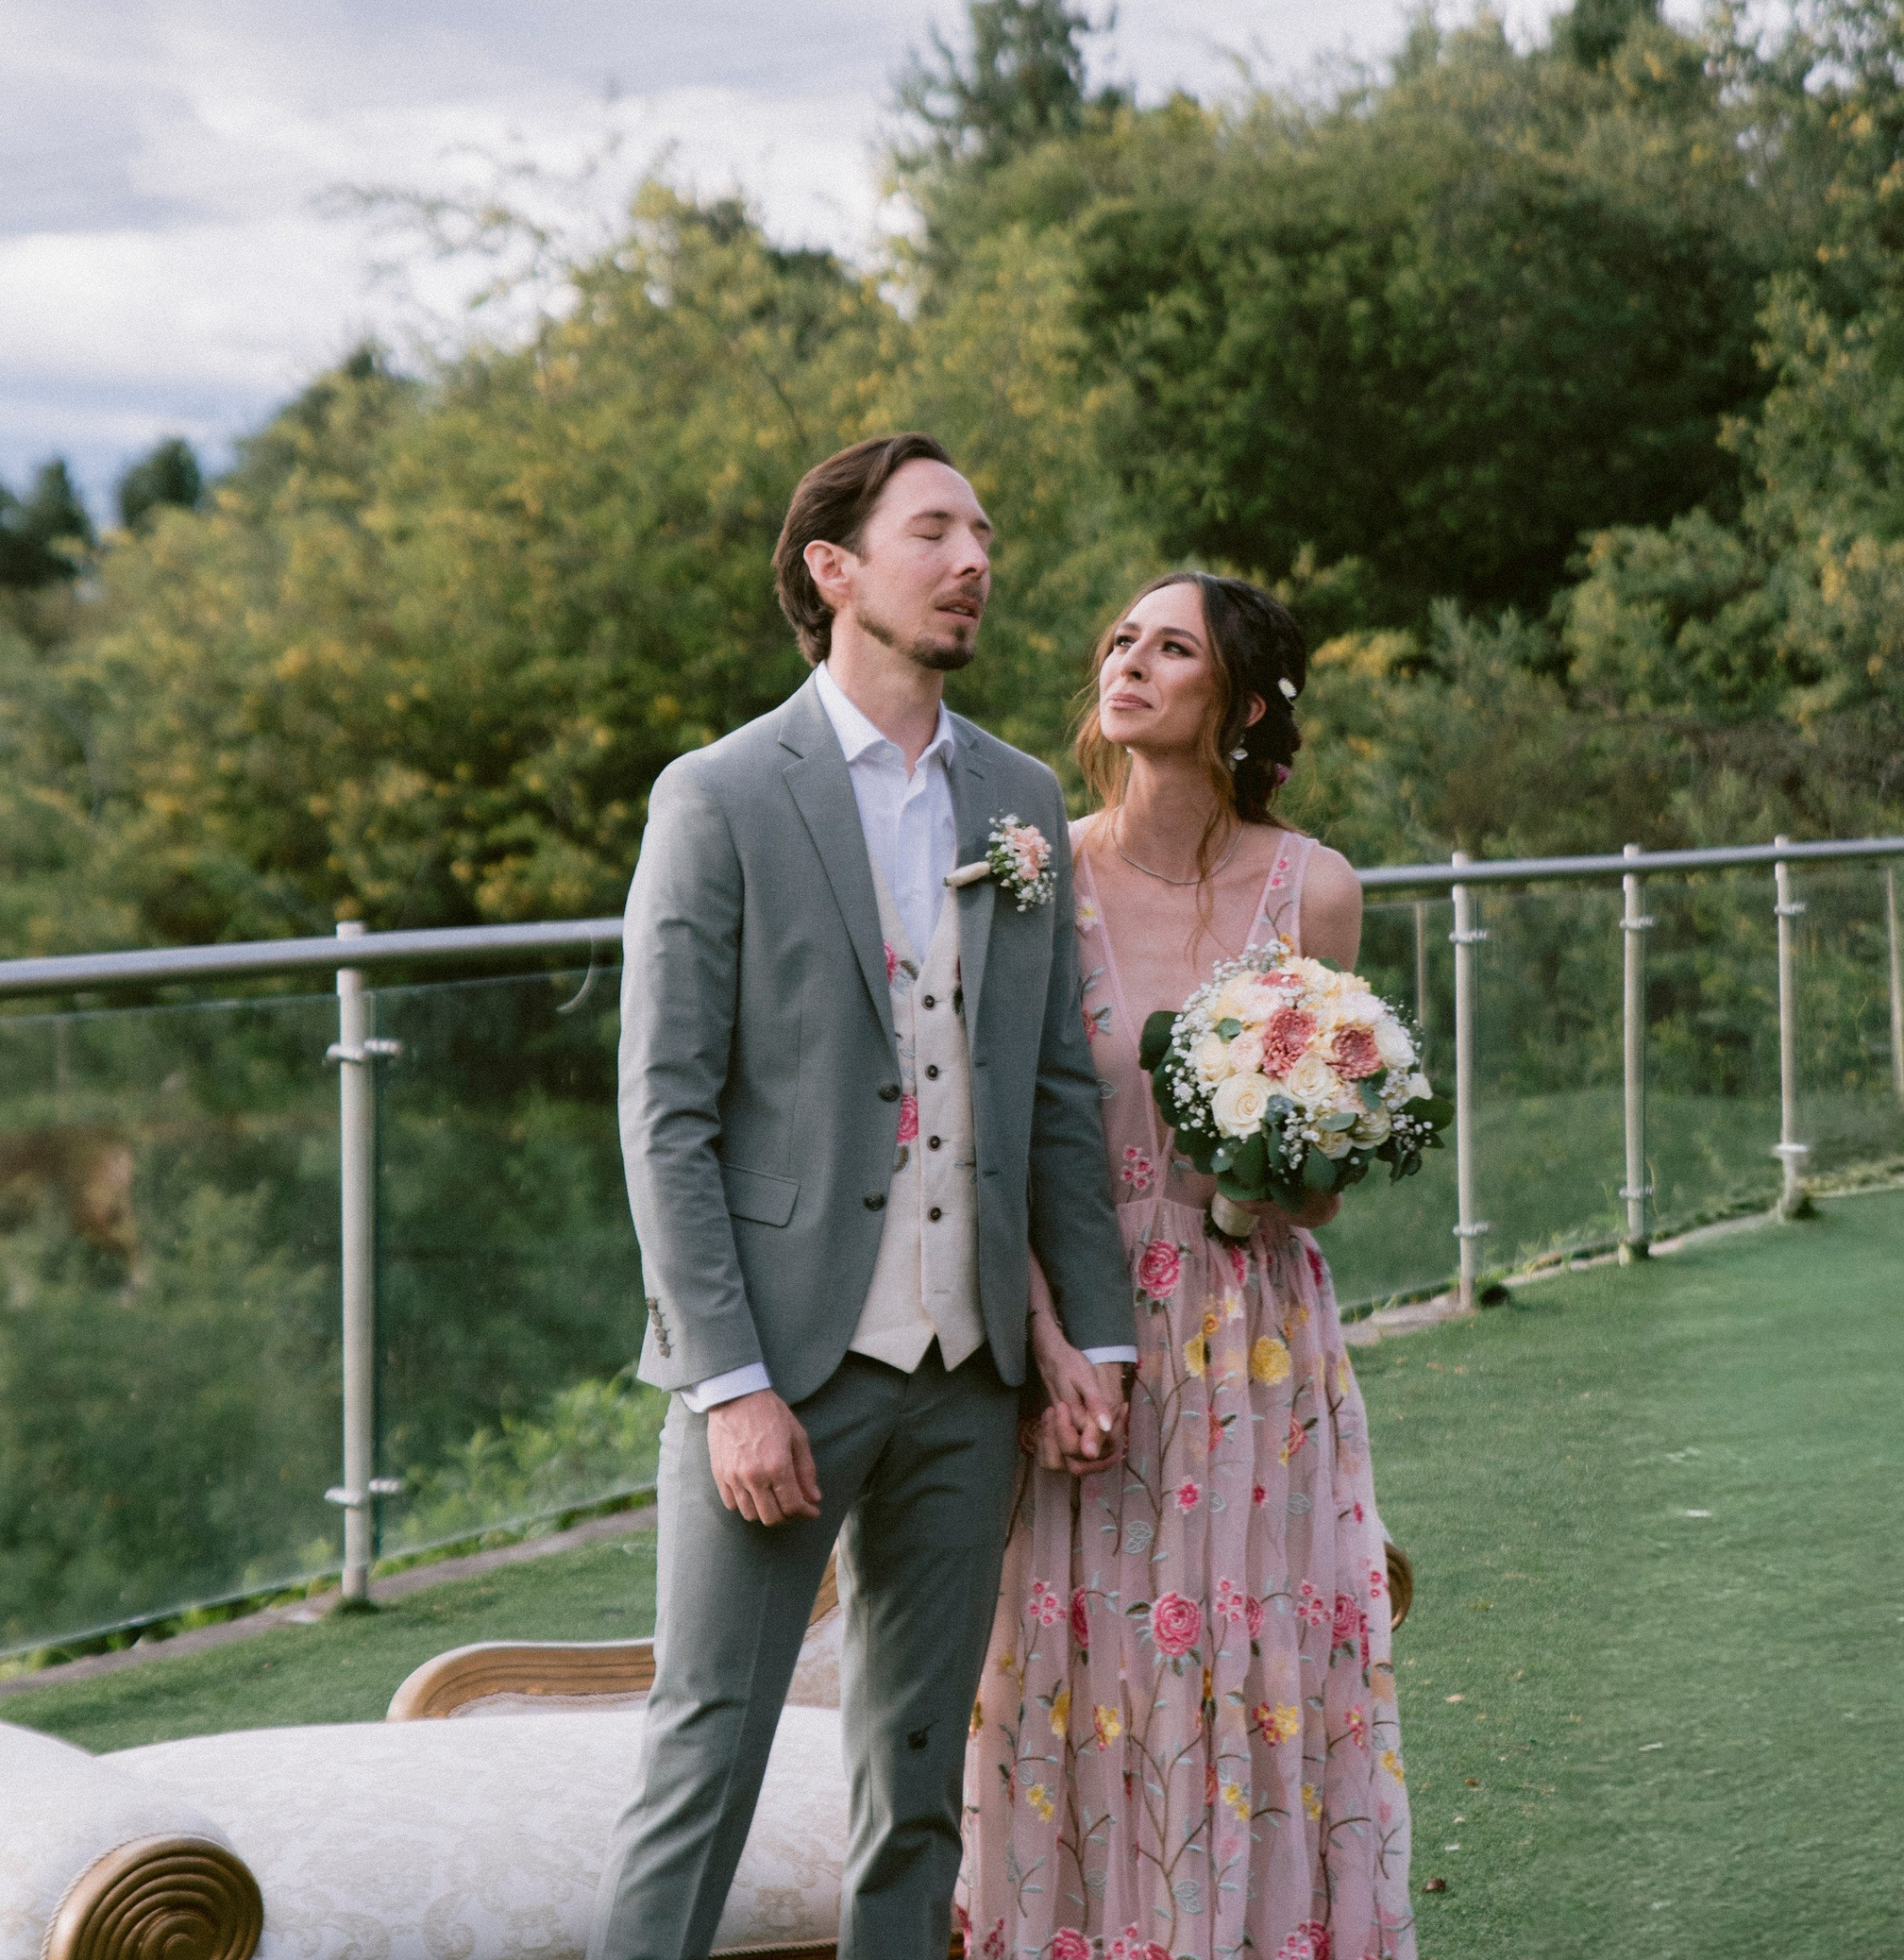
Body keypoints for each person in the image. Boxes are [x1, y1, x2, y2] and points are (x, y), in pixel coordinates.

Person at [589, 432, 1139, 1960]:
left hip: (968, 1375)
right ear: (834, 570)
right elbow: (667, 1114)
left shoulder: (1020, 799)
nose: (975, 560)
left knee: (917, 1786)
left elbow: (1048, 1097)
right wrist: (731, 1385)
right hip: (781, 1368)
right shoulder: (717, 797)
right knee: (704, 1756)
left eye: (985, 532)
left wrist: (1092, 1334)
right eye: (935, 532)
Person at [961, 572, 1419, 1960]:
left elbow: (1330, 1184)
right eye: (1122, 640)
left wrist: (1273, 1178)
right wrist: (1045, 1339)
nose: (1132, 662)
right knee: (1071, 1664)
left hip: (1257, 1339)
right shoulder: (1037, 865)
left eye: (1174, 647)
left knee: (1250, 1664)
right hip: (1083, 1331)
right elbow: (992, 1139)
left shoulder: (1314, 888)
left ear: (1241, 702)